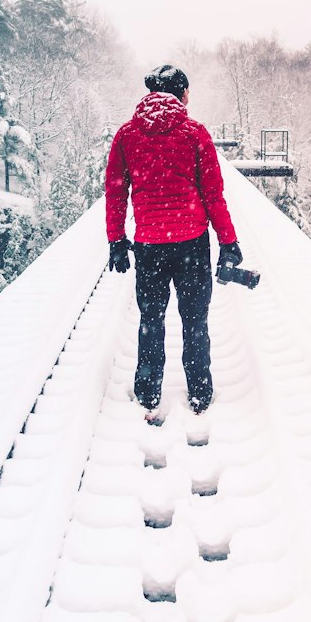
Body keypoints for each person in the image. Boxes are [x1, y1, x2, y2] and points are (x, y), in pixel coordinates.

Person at [105, 64, 242, 418]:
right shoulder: (195, 134)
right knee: (195, 321)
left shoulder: (126, 136)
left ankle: (148, 392)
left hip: (149, 246)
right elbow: (214, 195)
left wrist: (117, 240)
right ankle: (199, 393)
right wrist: (228, 240)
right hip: (192, 245)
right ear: (181, 95)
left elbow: (116, 193)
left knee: (151, 319)